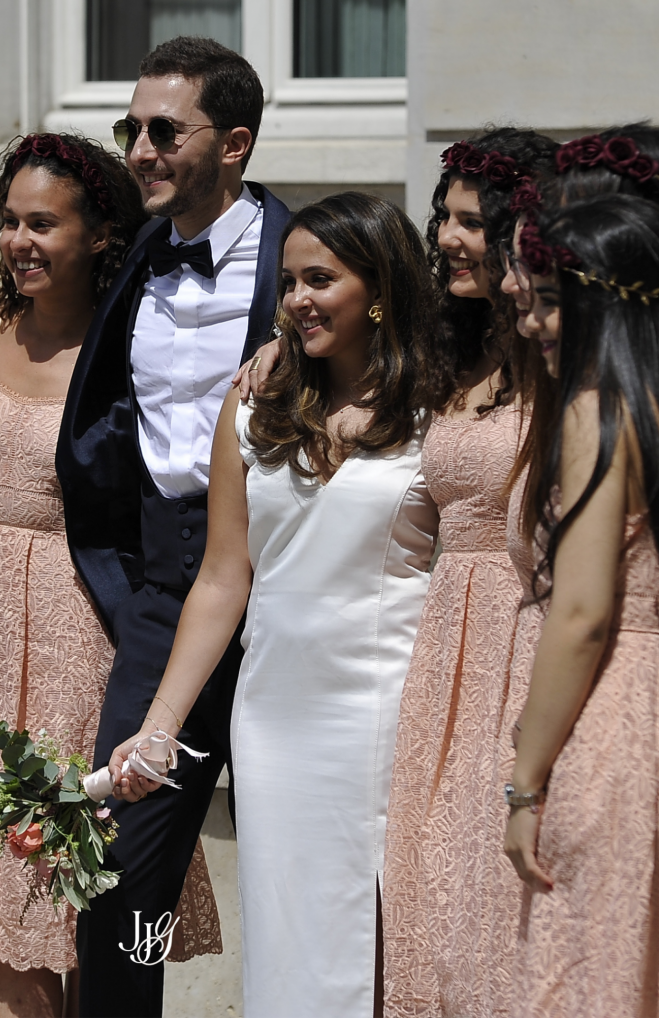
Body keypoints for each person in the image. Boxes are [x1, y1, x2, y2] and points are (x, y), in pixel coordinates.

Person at [0, 132, 220, 1018]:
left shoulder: (137, 344)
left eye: (42, 224)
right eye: (9, 222)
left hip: (80, 624)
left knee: (77, 879)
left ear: (100, 235)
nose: (19, 241)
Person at [108, 192, 445, 1018]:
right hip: (272, 717)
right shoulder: (254, 404)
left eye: (320, 280)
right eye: (289, 282)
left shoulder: (440, 411)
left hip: (390, 711)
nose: (297, 299)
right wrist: (160, 725)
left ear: (380, 287)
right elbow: (224, 579)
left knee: (380, 935)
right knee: (288, 938)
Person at [55, 36, 290, 1018]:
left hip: (288, 611)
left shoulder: (307, 259)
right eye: (130, 129)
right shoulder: (132, 256)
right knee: (116, 876)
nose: (139, 151)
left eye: (163, 130)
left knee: (303, 878)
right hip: (162, 598)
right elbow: (25, 278)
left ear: (234, 143)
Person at [382, 130, 556, 1018]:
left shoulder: (564, 358)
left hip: (531, 633)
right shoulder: (448, 350)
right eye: (444, 217)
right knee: (432, 871)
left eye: (473, 223)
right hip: (444, 641)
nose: (448, 238)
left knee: (499, 880)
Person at [502, 195, 659, 1016]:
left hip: (622, 719)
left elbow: (583, 614)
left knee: (595, 972)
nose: (531, 322)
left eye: (552, 302)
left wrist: (525, 785)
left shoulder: (601, 412)